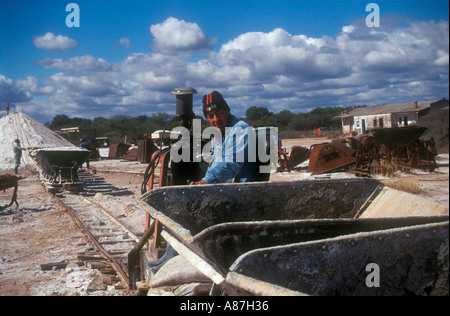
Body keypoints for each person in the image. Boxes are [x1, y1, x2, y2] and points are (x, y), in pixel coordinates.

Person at [191, 90, 261, 185]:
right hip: (225, 187)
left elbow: (230, 163)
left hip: (241, 189)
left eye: (219, 113)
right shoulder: (218, 135)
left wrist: (207, 180)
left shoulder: (241, 129)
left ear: (227, 111)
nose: (216, 119)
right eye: (211, 116)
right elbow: (215, 164)